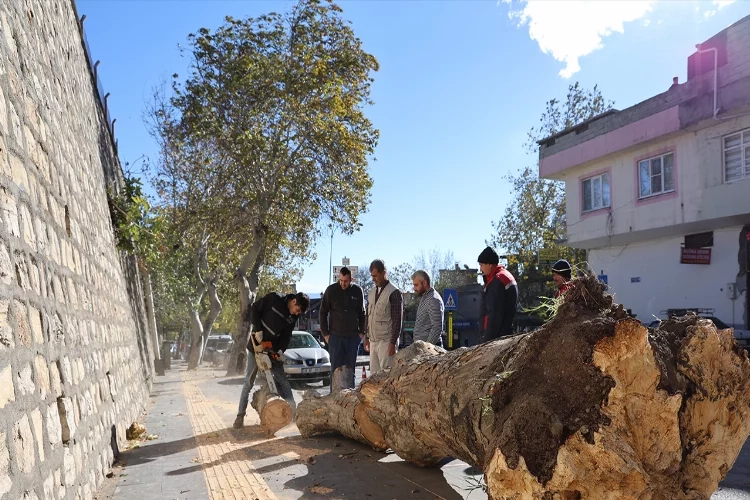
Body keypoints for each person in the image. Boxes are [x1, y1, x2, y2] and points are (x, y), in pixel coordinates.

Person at [233, 291, 310, 429]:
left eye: (299, 312)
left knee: (282, 379)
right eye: (297, 310)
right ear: (293, 302)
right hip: (256, 346)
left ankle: (292, 413)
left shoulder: (293, 317)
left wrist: (279, 351)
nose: (297, 313)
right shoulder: (274, 299)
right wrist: (258, 330)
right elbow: (254, 309)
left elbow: (286, 337)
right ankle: (240, 416)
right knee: (248, 382)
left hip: (272, 348)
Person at [319, 266, 366, 390]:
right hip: (335, 338)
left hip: (352, 338)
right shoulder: (331, 290)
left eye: (345, 281)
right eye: (341, 280)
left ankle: (350, 399)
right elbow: (322, 312)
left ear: (351, 279)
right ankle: (334, 399)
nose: (343, 284)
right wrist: (326, 334)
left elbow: (362, 313)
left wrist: (362, 333)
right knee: (335, 371)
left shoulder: (357, 291)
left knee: (350, 371)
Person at [364, 259, 403, 374]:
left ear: (383, 273)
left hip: (386, 342)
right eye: (372, 276)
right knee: (374, 378)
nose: (373, 279)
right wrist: (366, 337)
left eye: (375, 276)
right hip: (373, 342)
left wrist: (393, 342)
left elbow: (397, 320)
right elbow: (368, 317)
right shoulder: (371, 293)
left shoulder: (394, 292)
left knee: (386, 376)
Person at [478, 246, 518, 343]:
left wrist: (486, 341)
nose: (480, 269)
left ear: (489, 265)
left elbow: (494, 315)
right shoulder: (503, 276)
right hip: (504, 335)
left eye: (482, 265)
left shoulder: (497, 281)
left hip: (496, 338)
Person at [411, 270, 444, 347]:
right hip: (423, 350)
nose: (414, 288)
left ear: (425, 283)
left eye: (416, 285)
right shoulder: (425, 297)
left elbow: (436, 328)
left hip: (432, 352)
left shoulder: (433, 299)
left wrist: (427, 349)